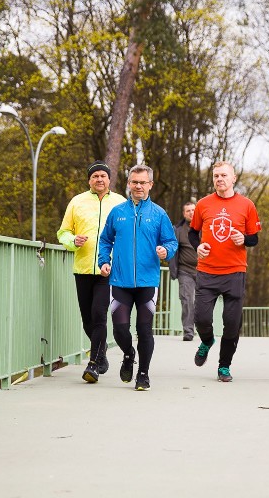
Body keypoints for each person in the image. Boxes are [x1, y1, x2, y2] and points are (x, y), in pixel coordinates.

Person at [98, 165, 178, 391]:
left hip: (147, 282)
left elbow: (171, 242)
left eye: (143, 182)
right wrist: (104, 261)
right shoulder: (118, 212)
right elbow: (105, 241)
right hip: (120, 281)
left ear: (150, 185)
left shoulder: (159, 214)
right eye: (135, 182)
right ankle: (128, 353)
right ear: (129, 184)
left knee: (144, 330)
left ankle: (143, 374)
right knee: (120, 330)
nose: (138, 186)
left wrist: (166, 251)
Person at [188, 161, 262, 382]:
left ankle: (224, 366)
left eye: (223, 175)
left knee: (232, 323)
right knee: (200, 318)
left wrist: (244, 239)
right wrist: (197, 246)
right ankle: (207, 340)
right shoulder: (203, 204)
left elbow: (254, 238)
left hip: (234, 272)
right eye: (216, 176)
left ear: (234, 178)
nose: (219, 179)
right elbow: (193, 233)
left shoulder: (247, 205)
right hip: (207, 271)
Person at [57, 161, 125, 384]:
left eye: (103, 176)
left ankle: (94, 364)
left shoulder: (120, 203)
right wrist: (72, 241)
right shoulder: (77, 202)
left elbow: (127, 234)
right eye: (95, 176)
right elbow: (63, 232)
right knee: (87, 319)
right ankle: (101, 350)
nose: (99, 179)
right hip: (83, 268)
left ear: (109, 180)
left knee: (99, 315)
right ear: (89, 180)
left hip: (108, 270)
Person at [169, 201, 198, 341]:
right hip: (185, 271)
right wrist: (173, 269)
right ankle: (188, 331)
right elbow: (173, 249)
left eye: (193, 210)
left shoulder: (206, 227)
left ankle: (205, 329)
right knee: (187, 300)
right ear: (184, 214)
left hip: (204, 271)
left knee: (203, 302)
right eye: (188, 211)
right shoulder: (178, 230)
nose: (191, 213)